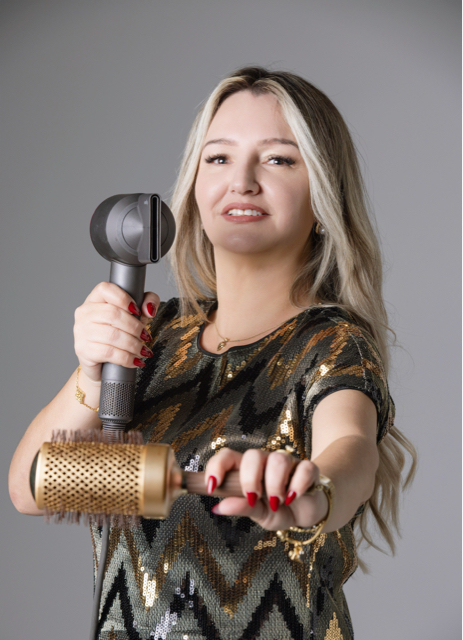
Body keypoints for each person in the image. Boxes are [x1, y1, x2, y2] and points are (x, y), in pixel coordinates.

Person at [9, 66, 416, 640]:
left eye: (278, 159)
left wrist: (310, 490)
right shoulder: (155, 335)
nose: (241, 181)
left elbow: (351, 451)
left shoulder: (331, 342)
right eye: (219, 157)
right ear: (194, 187)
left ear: (325, 194)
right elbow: (30, 488)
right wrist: (93, 374)